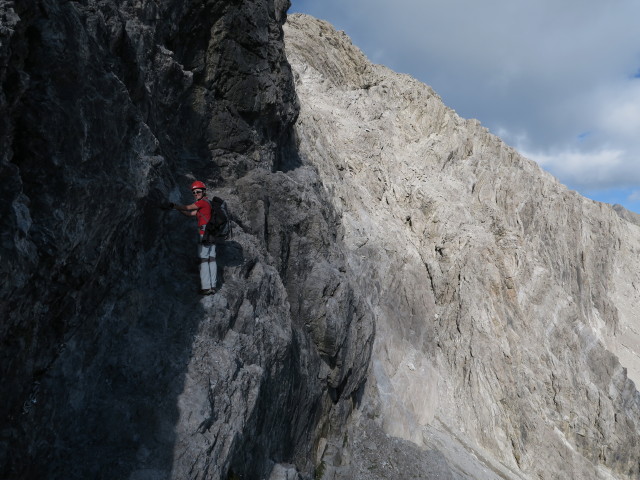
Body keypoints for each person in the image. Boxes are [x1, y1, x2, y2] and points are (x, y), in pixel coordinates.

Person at [170, 181, 217, 295]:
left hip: (204, 233)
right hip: (211, 233)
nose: (196, 194)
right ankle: (213, 286)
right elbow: (190, 213)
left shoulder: (202, 203)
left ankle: (206, 287)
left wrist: (174, 206)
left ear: (203, 192)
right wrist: (178, 209)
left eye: (198, 192)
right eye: (194, 192)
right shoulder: (207, 204)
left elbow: (188, 207)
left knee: (204, 260)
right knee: (211, 259)